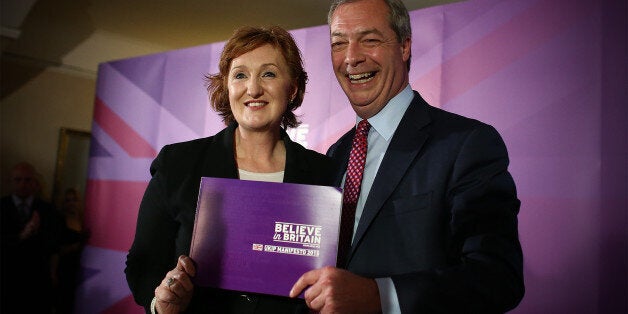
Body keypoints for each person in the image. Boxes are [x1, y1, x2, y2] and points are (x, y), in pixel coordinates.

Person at [289, 0, 525, 313]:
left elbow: (497, 277)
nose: (351, 57)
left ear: (404, 47)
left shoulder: (466, 144)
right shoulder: (336, 154)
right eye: (339, 43)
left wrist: (380, 296)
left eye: (370, 40)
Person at [125, 25, 335, 314]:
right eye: (240, 75)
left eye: (269, 73)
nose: (253, 88)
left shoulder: (324, 173)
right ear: (227, 87)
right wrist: (161, 302)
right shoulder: (179, 164)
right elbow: (142, 264)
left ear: (293, 87)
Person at [1, 162, 64, 313]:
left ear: (35, 182)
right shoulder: (1, 207)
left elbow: (55, 242)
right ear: (11, 182)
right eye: (18, 180)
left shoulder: (47, 209)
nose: (23, 184)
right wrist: (23, 235)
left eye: (27, 180)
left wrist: (52, 272)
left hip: (37, 279)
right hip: (7, 277)